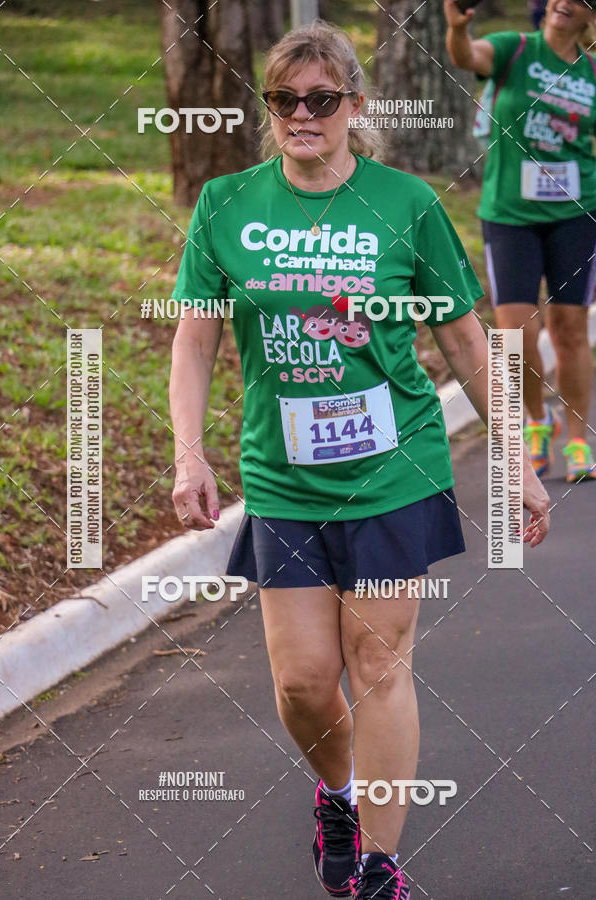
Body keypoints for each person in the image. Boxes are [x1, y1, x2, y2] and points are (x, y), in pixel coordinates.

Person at [169, 20, 550, 899]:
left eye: (321, 99)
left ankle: (379, 865)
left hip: (392, 469)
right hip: (283, 476)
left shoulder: (405, 204)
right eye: (284, 99)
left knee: (377, 663)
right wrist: (190, 455)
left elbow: (465, 339)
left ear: (355, 104)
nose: (302, 115)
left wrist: (516, 461)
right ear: (269, 108)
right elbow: (194, 339)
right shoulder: (227, 204)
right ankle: (337, 794)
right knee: (304, 684)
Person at [445, 0, 596, 484]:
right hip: (511, 215)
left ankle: (578, 439)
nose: (564, 2)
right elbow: (466, 56)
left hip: (576, 214)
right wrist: (457, 28)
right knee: (516, 332)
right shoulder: (515, 49)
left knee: (570, 328)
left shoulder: (592, 73)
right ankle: (536, 419)